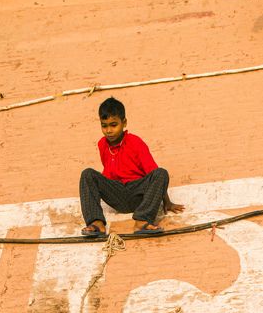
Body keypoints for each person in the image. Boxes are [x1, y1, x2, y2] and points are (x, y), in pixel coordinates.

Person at [79, 96, 184, 238]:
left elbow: (154, 173)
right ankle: (97, 224)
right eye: (104, 126)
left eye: (113, 125)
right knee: (87, 174)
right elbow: (108, 173)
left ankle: (142, 221)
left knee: (161, 173)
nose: (109, 130)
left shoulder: (135, 143)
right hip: (117, 194)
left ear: (124, 123)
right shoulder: (102, 144)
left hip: (138, 195)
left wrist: (167, 201)